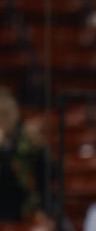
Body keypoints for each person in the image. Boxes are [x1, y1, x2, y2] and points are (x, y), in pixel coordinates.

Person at [0, 87, 48, 222]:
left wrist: (41, 148)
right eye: (2, 113)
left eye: (8, 113)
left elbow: (46, 173)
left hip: (25, 209)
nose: (5, 118)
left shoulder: (27, 139)